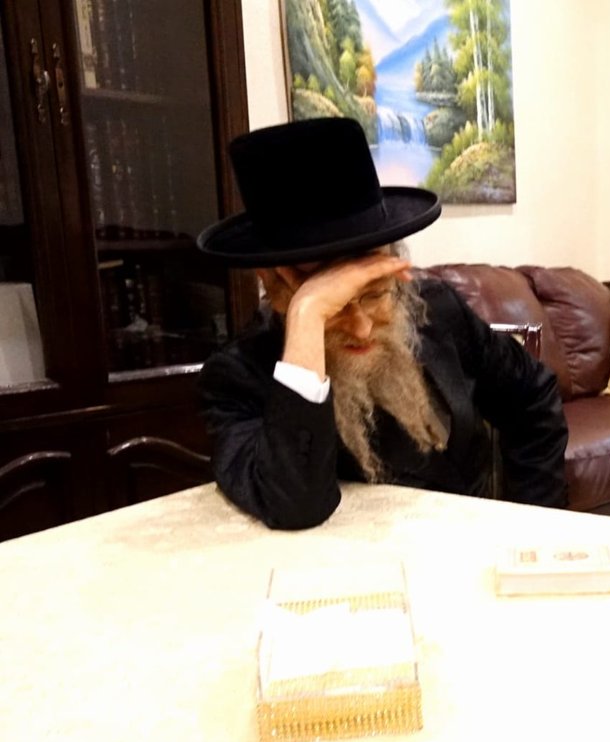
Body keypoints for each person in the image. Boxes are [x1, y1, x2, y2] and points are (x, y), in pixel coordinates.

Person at [195, 118, 567, 529]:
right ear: (275, 287)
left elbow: (533, 397)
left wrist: (535, 523)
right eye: (334, 306)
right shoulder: (236, 378)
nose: (360, 328)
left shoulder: (438, 310)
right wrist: (308, 315)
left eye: (374, 294)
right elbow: (295, 506)